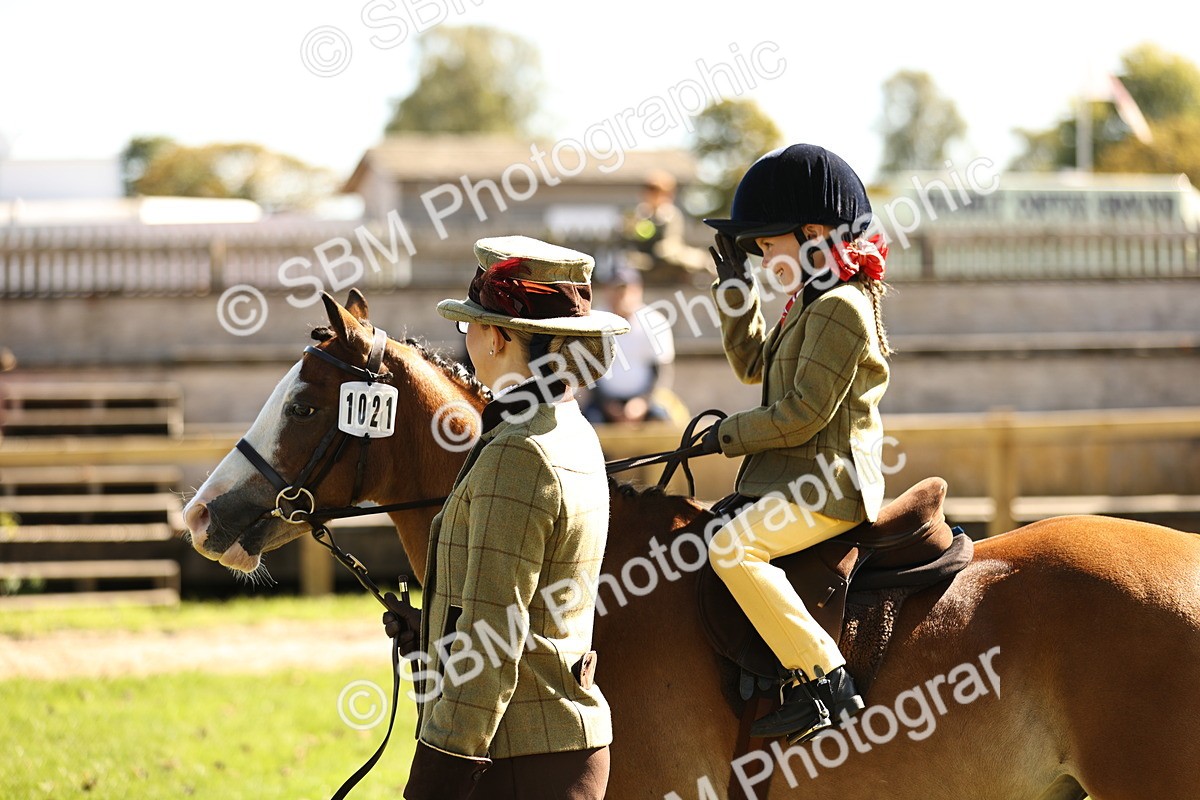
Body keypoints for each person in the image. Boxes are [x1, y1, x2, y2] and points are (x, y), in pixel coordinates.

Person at [397, 235, 630, 800]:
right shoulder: (568, 423)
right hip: (548, 747)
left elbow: (494, 637)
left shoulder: (518, 451)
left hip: (517, 757)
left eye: (472, 324)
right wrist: (431, 632)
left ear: (498, 337)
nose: (468, 337)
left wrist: (436, 778)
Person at [698, 144, 893, 744]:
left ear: (812, 233)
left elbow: (804, 415)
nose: (759, 255)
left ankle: (825, 683)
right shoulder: (807, 301)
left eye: (765, 243)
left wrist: (726, 436)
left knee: (734, 548)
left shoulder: (840, 308)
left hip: (829, 484)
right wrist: (735, 289)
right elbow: (752, 364)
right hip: (791, 476)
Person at [583, 261, 676, 424]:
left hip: (645, 401)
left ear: (638, 290)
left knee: (662, 423)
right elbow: (587, 370)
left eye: (627, 289)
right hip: (602, 403)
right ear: (607, 290)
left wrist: (643, 402)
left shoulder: (655, 322)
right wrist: (607, 404)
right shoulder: (592, 323)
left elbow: (661, 369)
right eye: (617, 289)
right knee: (586, 425)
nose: (623, 295)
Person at [620, 169, 713, 286]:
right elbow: (628, 240)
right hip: (644, 258)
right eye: (652, 192)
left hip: (668, 255)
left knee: (685, 257)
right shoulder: (638, 215)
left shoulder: (670, 214)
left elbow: (671, 242)